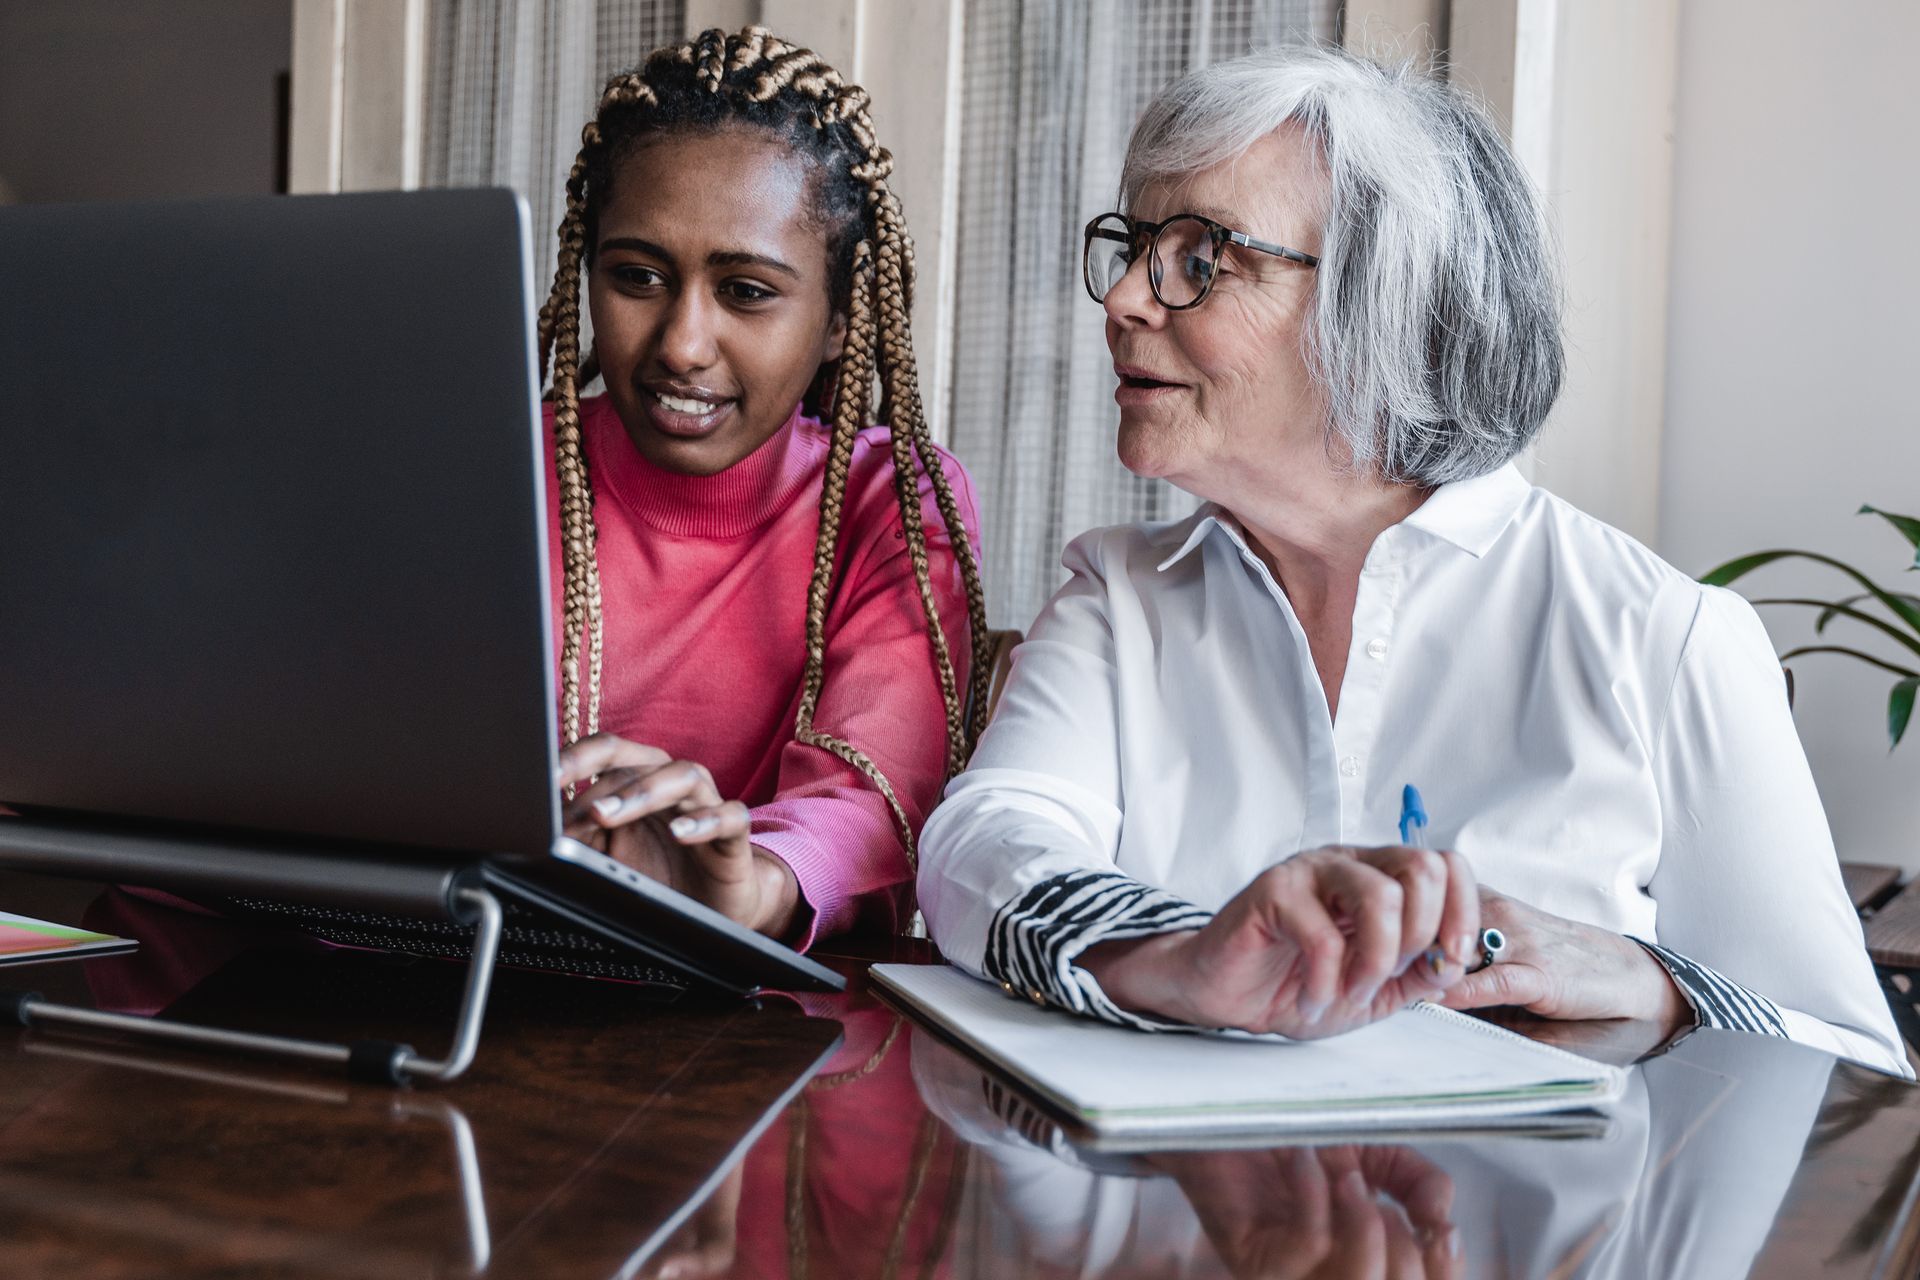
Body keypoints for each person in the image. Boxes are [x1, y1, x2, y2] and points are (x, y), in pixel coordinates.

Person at [917, 47, 1907, 1074]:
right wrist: (1179, 955)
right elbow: (980, 848)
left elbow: (1858, 1068)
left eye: (1199, 257)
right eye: (1133, 246)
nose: (1123, 297)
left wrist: (1653, 983)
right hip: (1174, 1228)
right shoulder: (1120, 598)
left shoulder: (1659, 636)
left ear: (1386, 305)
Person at [540, 27, 990, 948]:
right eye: (637, 277)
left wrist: (749, 892)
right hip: (439, 969)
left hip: (739, 1024)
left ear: (836, 320)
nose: (681, 343)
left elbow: (870, 799)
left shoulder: (894, 502)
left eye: (746, 291)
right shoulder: (507, 472)